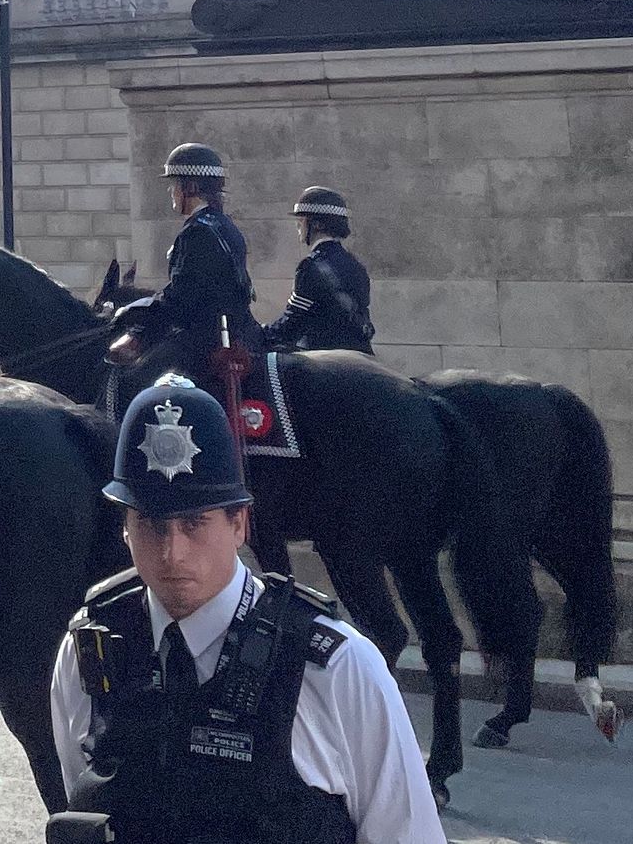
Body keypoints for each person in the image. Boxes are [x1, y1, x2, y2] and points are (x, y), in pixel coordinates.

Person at [50, 378, 444, 842]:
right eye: (151, 525)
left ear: (239, 523)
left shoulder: (337, 667)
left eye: (194, 522)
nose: (172, 552)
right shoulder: (90, 650)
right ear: (125, 529)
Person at [107, 146, 262, 384]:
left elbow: (182, 296)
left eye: (175, 185)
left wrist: (137, 318)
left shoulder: (198, 231)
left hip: (206, 336)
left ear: (190, 188)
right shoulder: (223, 225)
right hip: (235, 328)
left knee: (140, 374)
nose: (172, 192)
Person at [263, 188, 375, 355]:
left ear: (316, 224)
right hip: (361, 356)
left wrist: (263, 334)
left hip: (326, 362)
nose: (298, 226)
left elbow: (294, 321)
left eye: (302, 220)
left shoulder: (310, 266)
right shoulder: (355, 265)